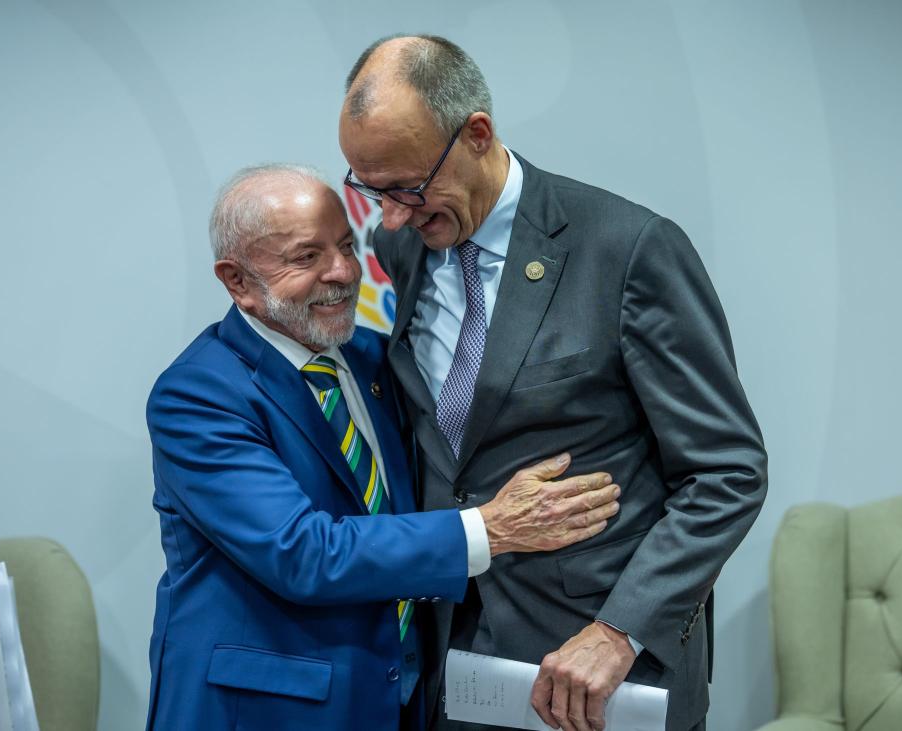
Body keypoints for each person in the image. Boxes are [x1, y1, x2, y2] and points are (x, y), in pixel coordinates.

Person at [338, 36, 769, 731]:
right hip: (454, 664)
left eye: (407, 188)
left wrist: (621, 630)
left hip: (599, 673)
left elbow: (728, 472)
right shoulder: (408, 244)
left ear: (477, 134)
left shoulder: (626, 250)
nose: (389, 218)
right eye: (371, 190)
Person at [144, 164, 622, 730]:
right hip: (263, 711)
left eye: (346, 245)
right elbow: (303, 553)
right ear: (237, 280)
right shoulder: (197, 395)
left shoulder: (375, 357)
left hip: (396, 698)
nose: (342, 272)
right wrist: (491, 528)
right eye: (306, 257)